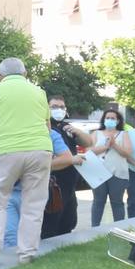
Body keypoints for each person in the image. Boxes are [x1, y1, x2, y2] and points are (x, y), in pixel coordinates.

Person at [0, 58, 52, 264]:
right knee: (34, 203)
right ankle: (27, 253)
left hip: (6, 151)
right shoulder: (39, 92)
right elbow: (47, 127)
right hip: (40, 149)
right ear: (25, 74)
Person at [42, 97, 85, 238]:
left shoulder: (67, 127)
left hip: (69, 184)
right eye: (54, 106)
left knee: (69, 221)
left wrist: (78, 132)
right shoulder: (46, 129)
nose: (58, 110)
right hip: (53, 184)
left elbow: (89, 142)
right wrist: (71, 160)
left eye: (61, 107)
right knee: (51, 223)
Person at [87, 108, 131, 227]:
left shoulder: (124, 134)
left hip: (118, 173)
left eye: (113, 118)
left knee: (117, 202)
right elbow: (89, 151)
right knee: (98, 202)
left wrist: (114, 145)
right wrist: (105, 147)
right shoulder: (96, 133)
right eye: (107, 118)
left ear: (118, 121)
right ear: (103, 120)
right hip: (98, 173)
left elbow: (127, 153)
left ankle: (120, 229)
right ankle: (94, 228)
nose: (110, 120)